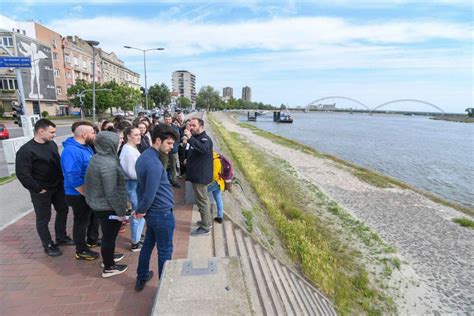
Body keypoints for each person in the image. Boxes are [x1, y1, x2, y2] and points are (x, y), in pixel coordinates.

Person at [16, 119, 72, 257]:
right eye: (52, 132)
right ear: (41, 132)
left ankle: (61, 237)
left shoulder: (51, 144)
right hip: (41, 191)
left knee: (63, 210)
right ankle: (48, 244)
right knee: (43, 219)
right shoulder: (26, 151)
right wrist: (38, 189)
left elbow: (56, 163)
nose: (54, 135)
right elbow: (23, 174)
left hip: (57, 186)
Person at [133, 124, 179, 291]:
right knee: (165, 251)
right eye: (169, 143)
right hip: (161, 214)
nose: (171, 147)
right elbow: (149, 193)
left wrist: (141, 210)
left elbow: (141, 188)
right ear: (158, 140)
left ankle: (142, 276)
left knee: (147, 246)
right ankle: (165, 288)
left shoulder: (144, 156)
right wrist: (140, 211)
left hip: (153, 214)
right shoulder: (154, 163)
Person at [85, 132, 128, 278]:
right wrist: (121, 212)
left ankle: (108, 257)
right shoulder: (107, 164)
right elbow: (111, 193)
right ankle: (109, 266)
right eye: (117, 142)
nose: (120, 144)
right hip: (107, 207)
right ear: (109, 145)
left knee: (108, 236)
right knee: (109, 237)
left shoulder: (98, 158)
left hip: (98, 204)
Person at [61, 121, 100, 261]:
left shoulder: (86, 147)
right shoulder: (71, 151)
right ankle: (81, 250)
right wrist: (86, 193)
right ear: (84, 134)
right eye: (93, 133)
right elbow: (73, 176)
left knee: (91, 219)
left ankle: (91, 240)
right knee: (81, 222)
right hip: (78, 194)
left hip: (88, 192)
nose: (95, 135)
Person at [183, 118, 213, 236]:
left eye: (194, 125)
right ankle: (205, 221)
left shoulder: (204, 139)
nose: (191, 127)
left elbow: (203, 149)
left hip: (201, 177)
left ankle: (206, 227)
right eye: (190, 125)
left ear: (201, 126)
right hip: (197, 175)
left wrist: (190, 138)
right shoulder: (197, 138)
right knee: (200, 200)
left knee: (202, 201)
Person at [119, 127, 145, 252]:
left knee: (140, 212)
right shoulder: (128, 151)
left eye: (140, 134)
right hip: (133, 185)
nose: (139, 136)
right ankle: (135, 241)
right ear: (128, 136)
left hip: (136, 185)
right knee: (138, 213)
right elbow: (132, 173)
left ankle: (138, 236)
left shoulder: (132, 148)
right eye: (135, 135)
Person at [163, 114, 181, 188]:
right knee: (163, 166)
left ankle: (174, 181)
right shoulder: (161, 128)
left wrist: (175, 146)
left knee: (173, 166)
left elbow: (178, 137)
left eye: (169, 119)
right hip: (164, 151)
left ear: (171, 119)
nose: (167, 121)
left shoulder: (175, 127)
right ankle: (163, 182)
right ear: (164, 120)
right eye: (166, 119)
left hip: (173, 150)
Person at [208, 152, 225, 224]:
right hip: (219, 182)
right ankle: (220, 217)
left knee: (202, 192)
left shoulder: (215, 161)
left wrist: (208, 182)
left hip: (216, 182)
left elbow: (214, 175)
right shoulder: (216, 157)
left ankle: (204, 211)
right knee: (218, 197)